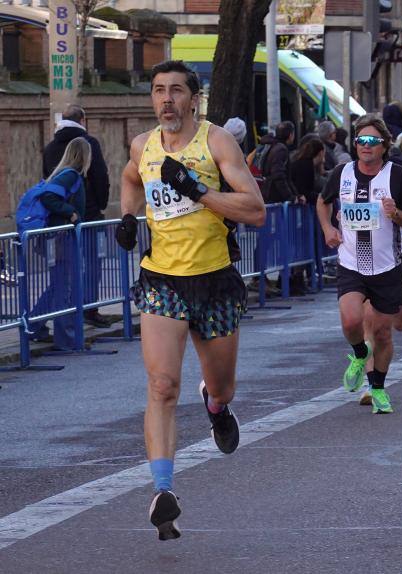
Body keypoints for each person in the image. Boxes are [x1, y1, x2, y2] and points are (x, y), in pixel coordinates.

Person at [115, 60, 265, 540]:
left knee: (222, 387)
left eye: (176, 91)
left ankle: (216, 406)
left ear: (193, 98)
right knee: (161, 386)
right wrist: (126, 216)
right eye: (158, 91)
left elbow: (255, 209)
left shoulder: (217, 141)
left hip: (215, 281)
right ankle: (164, 492)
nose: (166, 100)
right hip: (163, 280)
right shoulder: (144, 146)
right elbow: (131, 178)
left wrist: (199, 191)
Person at [316, 114, 402, 414]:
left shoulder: (396, 175)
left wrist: (396, 214)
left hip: (388, 265)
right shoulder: (342, 172)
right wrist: (328, 229)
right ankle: (360, 354)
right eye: (361, 140)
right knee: (351, 321)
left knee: (384, 332)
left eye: (373, 141)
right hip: (351, 263)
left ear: (385, 145)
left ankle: (378, 389)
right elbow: (323, 202)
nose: (366, 146)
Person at [43, 104, 113, 329]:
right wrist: (100, 204)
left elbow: (47, 179)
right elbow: (100, 176)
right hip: (89, 215)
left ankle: (60, 315)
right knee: (93, 263)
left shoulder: (50, 147)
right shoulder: (88, 144)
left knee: (63, 270)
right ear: (83, 119)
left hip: (60, 220)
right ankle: (89, 309)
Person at [29, 137, 91, 349]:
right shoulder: (71, 175)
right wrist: (71, 213)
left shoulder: (66, 174)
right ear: (84, 155)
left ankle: (33, 326)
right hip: (61, 238)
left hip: (59, 238)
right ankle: (65, 337)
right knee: (63, 287)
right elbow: (49, 197)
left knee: (58, 285)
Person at [257, 121, 300, 204]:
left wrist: (296, 195)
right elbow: (279, 175)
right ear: (290, 135)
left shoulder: (273, 145)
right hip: (274, 196)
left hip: (267, 192)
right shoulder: (281, 150)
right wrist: (290, 197)